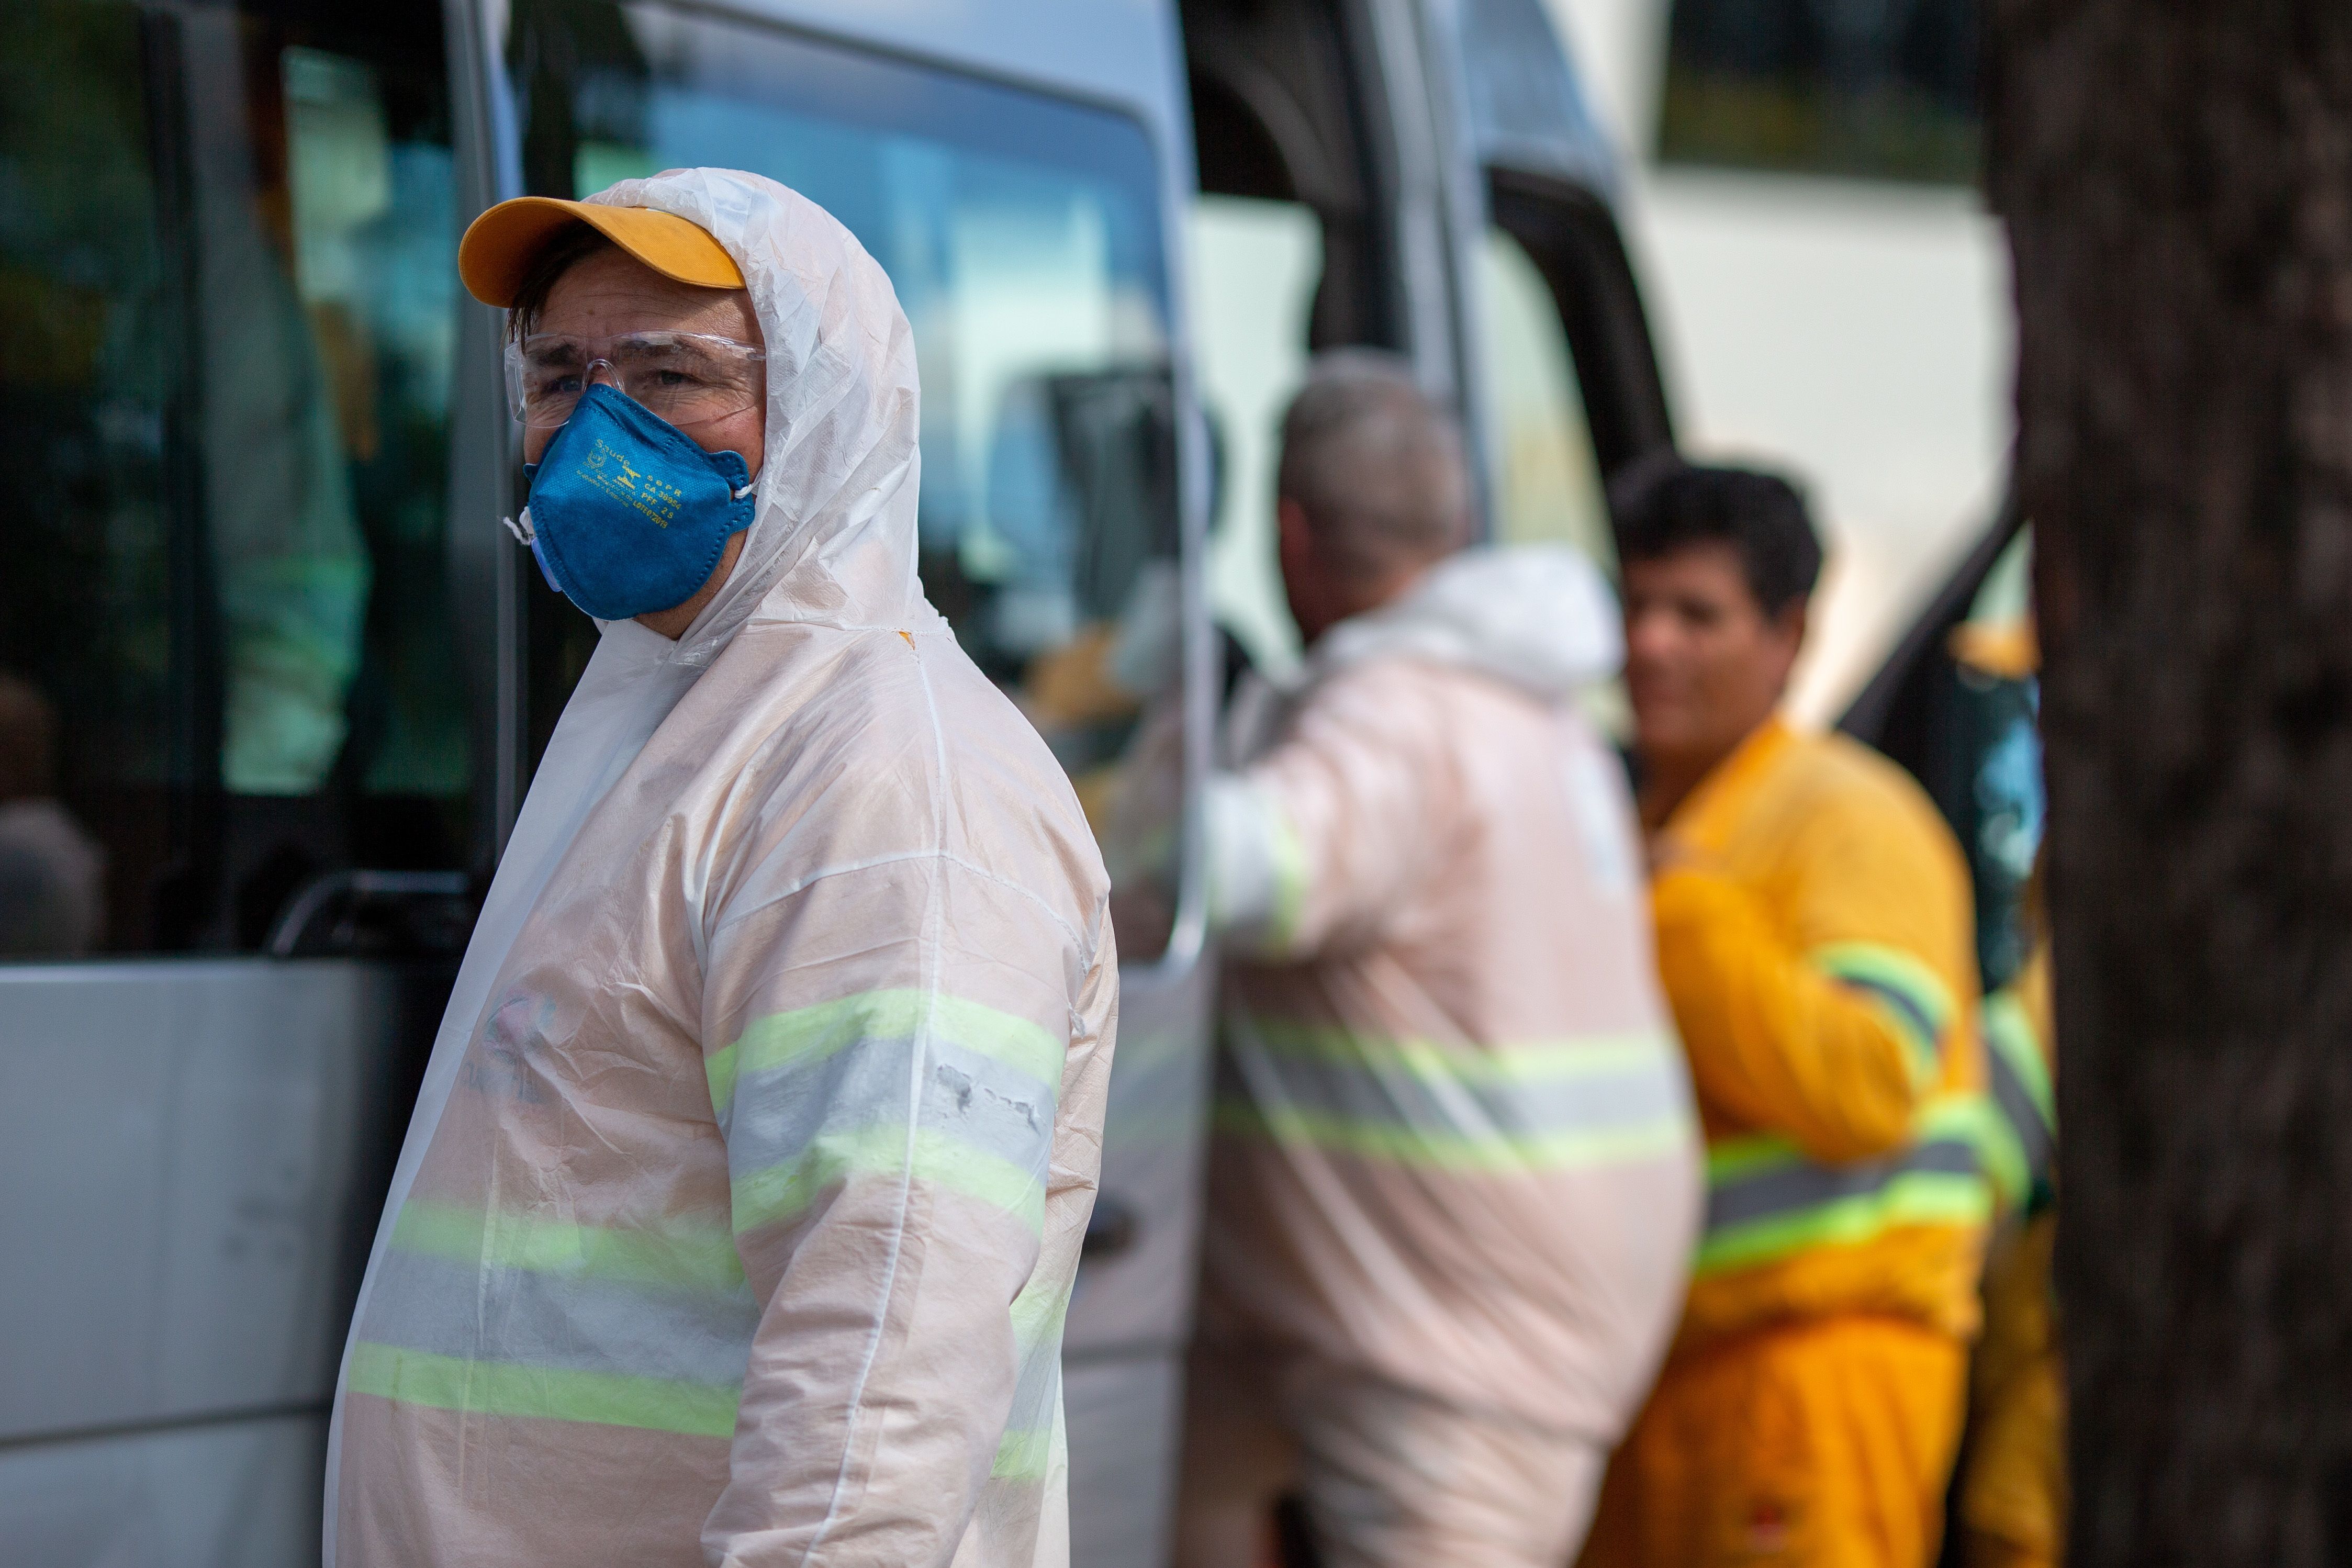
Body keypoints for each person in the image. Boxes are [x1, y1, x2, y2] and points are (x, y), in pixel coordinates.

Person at [326, 170, 1118, 1568]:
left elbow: (882, 1355)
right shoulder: (689, 716)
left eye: (672, 373)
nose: (596, 425)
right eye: (560, 371)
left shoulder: (879, 783)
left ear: (830, 412)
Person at [1174, 352, 1702, 1568]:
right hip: (1422, 1299)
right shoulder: (1534, 709)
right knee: (1177, 1474)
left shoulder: (1396, 712)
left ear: (1291, 533)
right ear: (1457, 528)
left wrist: (1071, 768)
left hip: (1453, 1346)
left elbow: (1248, 867)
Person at [1577, 458, 1988, 1568]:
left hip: (1815, 1375)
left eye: (1696, 615)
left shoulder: (1849, 821)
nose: (1651, 644)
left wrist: (1682, 912)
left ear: (1788, 634)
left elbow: (1867, 1083)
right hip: (1661, 1383)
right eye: (1635, 605)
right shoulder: (1640, 820)